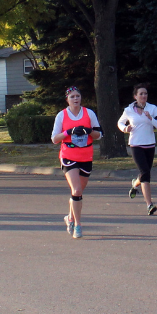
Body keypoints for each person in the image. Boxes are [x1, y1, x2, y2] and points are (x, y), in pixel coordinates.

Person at [51, 85, 101, 239]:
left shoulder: (89, 113)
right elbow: (54, 139)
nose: (75, 99)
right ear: (67, 99)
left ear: (81, 98)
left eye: (77, 96)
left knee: (77, 192)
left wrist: (88, 131)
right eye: (72, 97)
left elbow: (99, 135)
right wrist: (68, 132)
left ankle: (70, 217)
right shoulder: (62, 115)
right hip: (68, 155)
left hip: (86, 156)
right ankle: (78, 225)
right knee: (77, 190)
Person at [117, 83, 157, 215]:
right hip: (136, 144)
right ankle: (149, 204)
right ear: (135, 96)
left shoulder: (152, 108)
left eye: (145, 94)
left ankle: (135, 184)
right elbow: (120, 122)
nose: (144, 96)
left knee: (145, 172)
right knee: (145, 172)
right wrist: (125, 128)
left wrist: (151, 119)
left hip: (150, 144)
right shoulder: (129, 110)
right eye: (141, 94)